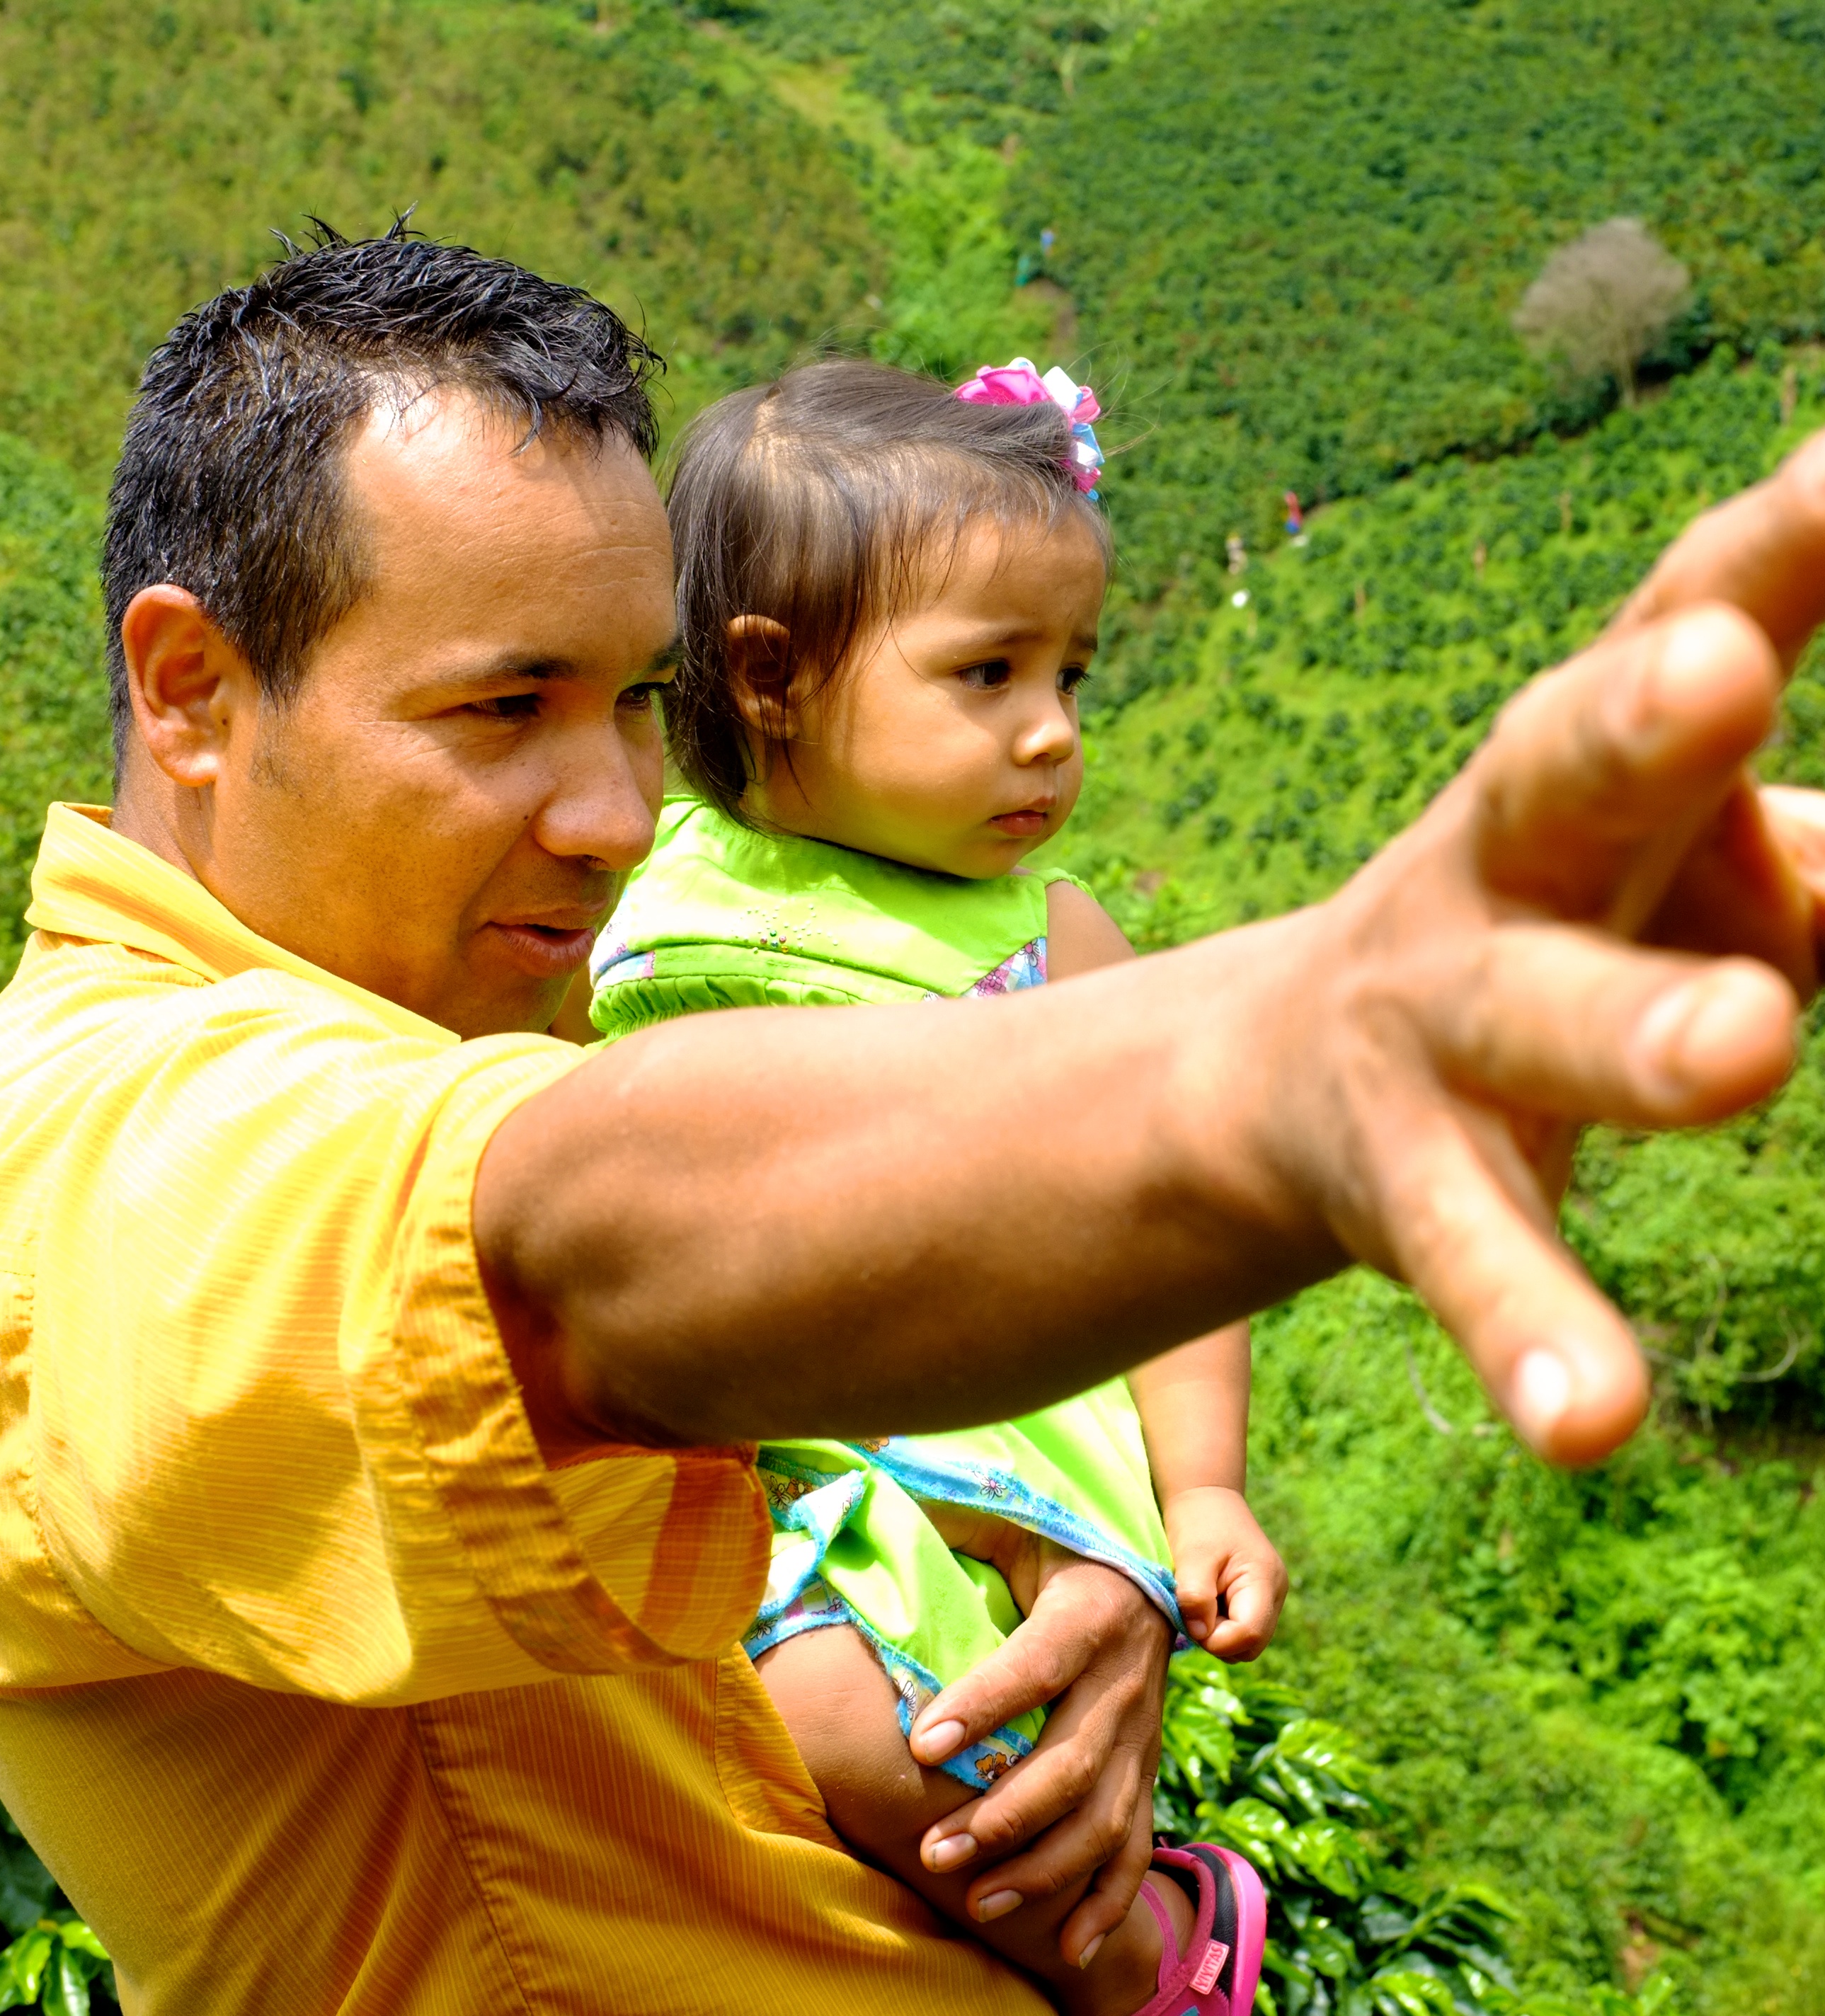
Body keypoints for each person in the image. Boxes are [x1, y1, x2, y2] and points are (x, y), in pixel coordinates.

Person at [0, 226, 1825, 2015]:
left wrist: (1077, 1553)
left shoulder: (443, 997)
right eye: (501, 711)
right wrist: (1265, 1069)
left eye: (625, 705)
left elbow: (737, 1335)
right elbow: (565, 1242)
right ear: (193, 690)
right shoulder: (79, 1170)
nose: (608, 812)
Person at [584, 355, 1277, 2016]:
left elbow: (1189, 1220)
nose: (1051, 733)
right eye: (986, 673)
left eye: (1069, 675)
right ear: (768, 674)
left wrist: (1203, 1487)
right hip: (760, 1449)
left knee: (891, 1737)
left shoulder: (1049, 939)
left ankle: (1154, 1950)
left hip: (994, 1458)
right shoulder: (637, 891)